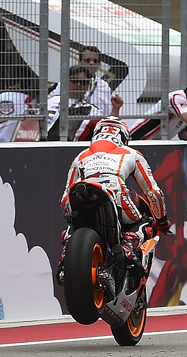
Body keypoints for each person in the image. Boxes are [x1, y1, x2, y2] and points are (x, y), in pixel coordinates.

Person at [58, 116, 170, 273]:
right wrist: (162, 220)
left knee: (72, 224)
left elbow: (65, 198)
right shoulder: (131, 153)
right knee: (143, 225)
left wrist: (70, 217)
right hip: (115, 191)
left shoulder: (81, 156)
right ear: (123, 137)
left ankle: (67, 247)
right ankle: (129, 245)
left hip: (81, 194)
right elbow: (152, 192)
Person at [78, 45, 112, 116]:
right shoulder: (67, 83)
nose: (91, 63)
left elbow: (108, 112)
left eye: (95, 61)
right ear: (79, 62)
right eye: (87, 60)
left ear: (99, 64)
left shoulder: (104, 86)